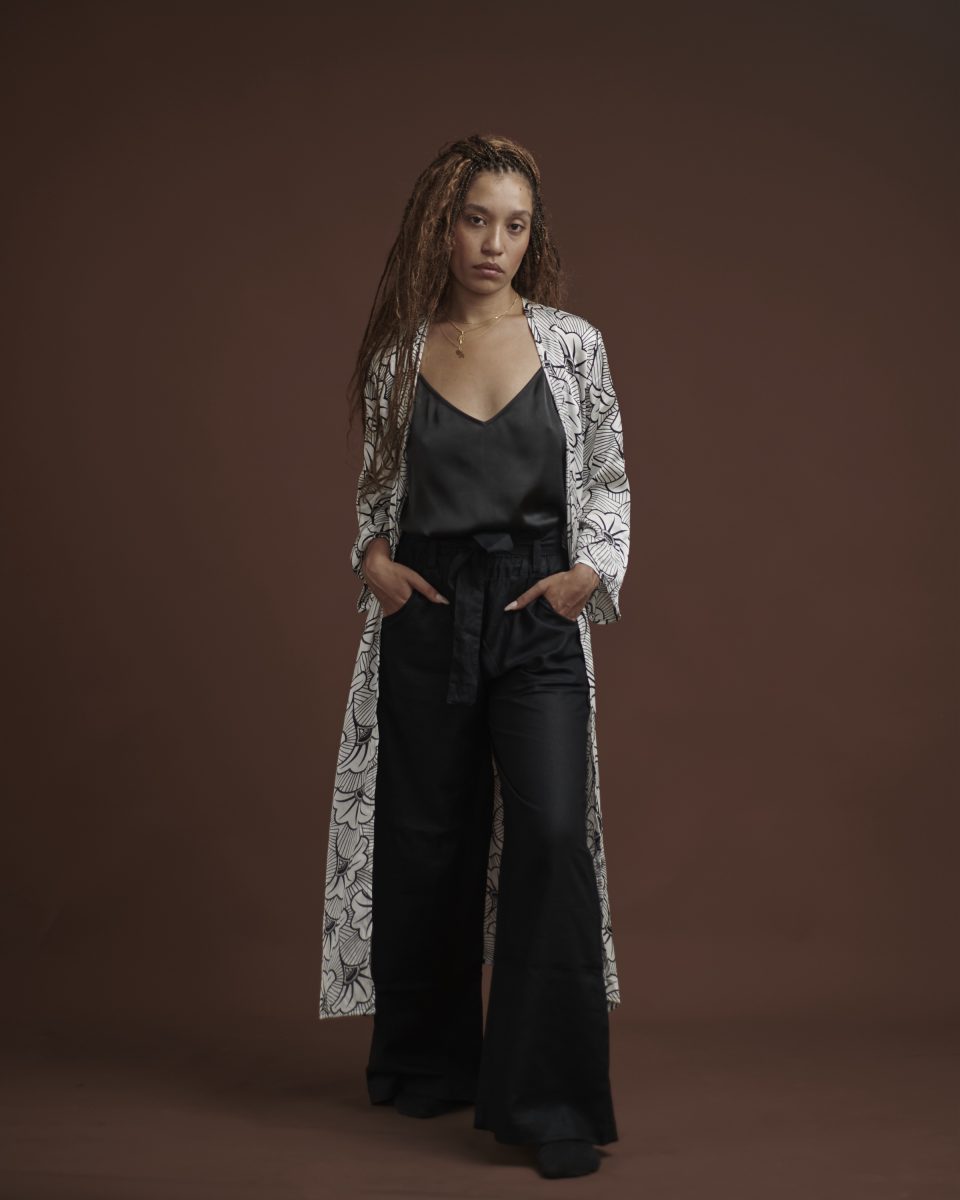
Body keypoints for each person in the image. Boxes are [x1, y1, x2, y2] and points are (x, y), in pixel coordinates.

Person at [319, 133, 631, 1180]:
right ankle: (428, 1060)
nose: (494, 243)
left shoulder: (574, 346)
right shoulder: (396, 357)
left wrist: (591, 570)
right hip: (429, 608)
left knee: (550, 830)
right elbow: (378, 495)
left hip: (537, 610)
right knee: (426, 834)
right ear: (440, 226)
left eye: (515, 225)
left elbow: (610, 476)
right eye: (475, 219)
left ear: (533, 237)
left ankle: (552, 1103)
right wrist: (372, 559)